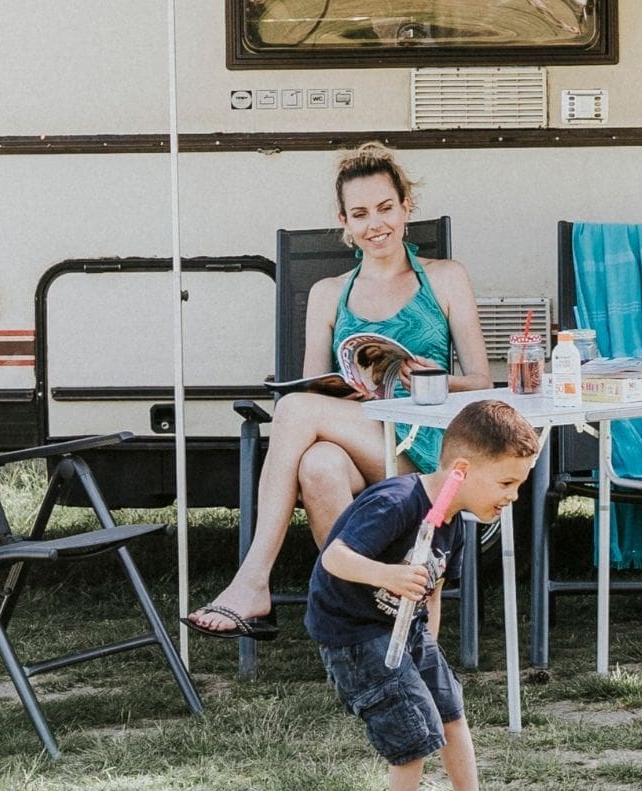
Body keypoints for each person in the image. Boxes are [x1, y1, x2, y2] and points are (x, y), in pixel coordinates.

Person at [187, 142, 495, 640]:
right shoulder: (329, 292)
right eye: (360, 214)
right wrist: (349, 391)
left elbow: (482, 382)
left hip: (424, 446)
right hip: (364, 437)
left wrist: (426, 379)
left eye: (385, 207)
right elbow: (314, 390)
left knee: (293, 412)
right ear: (344, 223)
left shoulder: (445, 278)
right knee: (318, 464)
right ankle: (367, 617)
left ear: (406, 207)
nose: (375, 224)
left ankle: (254, 581)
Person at [307, 400, 537, 791]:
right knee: (411, 724)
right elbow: (335, 557)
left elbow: (433, 590)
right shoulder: (394, 502)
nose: (513, 496)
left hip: (407, 629)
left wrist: (428, 638)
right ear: (462, 470)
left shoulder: (453, 524)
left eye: (519, 484)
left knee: (450, 709)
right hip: (355, 632)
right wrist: (388, 575)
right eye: (506, 483)